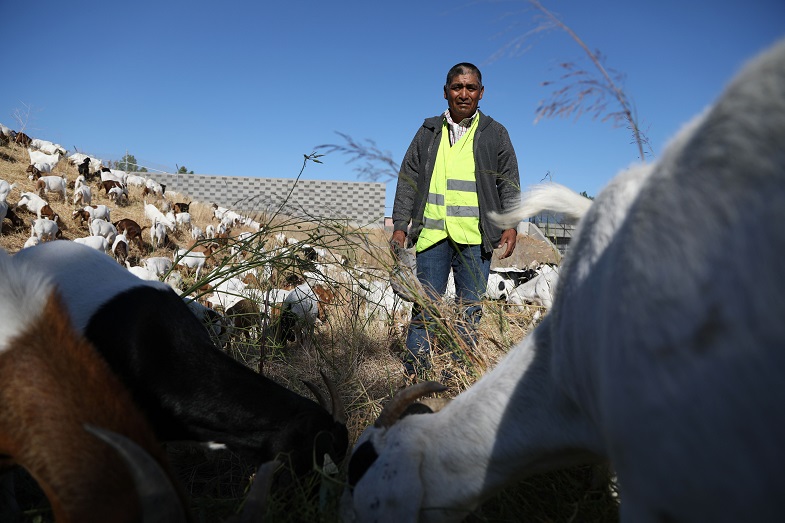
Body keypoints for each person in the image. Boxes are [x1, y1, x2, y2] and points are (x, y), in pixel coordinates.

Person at [390, 62, 521, 377]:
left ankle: (458, 375)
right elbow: (408, 179)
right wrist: (399, 226)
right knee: (426, 307)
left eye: (471, 87)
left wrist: (511, 224)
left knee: (470, 311)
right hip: (432, 235)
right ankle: (415, 373)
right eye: (457, 87)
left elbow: (510, 182)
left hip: (476, 239)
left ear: (481, 93)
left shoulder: (495, 134)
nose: (464, 94)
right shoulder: (428, 132)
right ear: (446, 92)